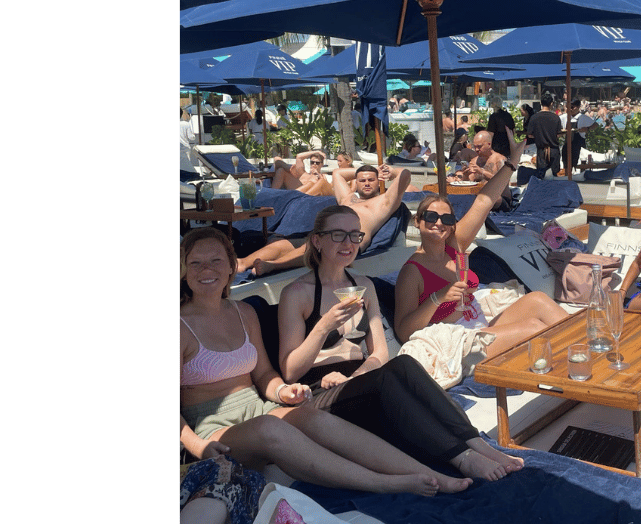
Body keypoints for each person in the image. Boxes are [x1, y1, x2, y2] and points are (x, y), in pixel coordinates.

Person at [179, 228, 471, 495]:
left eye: (216, 261)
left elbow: (265, 374)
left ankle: (426, 472)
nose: (207, 270)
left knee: (312, 416)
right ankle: (382, 483)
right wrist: (199, 446)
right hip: (211, 428)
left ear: (231, 266)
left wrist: (283, 392)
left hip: (258, 407)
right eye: (196, 263)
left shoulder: (244, 313)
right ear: (184, 271)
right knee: (271, 428)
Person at [276, 208, 523, 480]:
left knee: (404, 363)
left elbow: (380, 352)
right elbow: (290, 371)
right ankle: (463, 459)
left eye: (355, 236)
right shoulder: (296, 294)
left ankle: (476, 443)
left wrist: (355, 376)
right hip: (318, 392)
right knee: (392, 376)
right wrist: (324, 326)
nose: (348, 243)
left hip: (359, 381)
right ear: (317, 241)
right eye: (338, 235)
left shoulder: (363, 285)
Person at [394, 128, 569, 356]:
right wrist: (439, 298)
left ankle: (588, 347)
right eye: (430, 216)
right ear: (417, 222)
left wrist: (512, 162)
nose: (439, 223)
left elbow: (483, 202)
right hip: (458, 340)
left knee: (538, 300)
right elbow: (403, 332)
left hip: (479, 326)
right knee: (535, 329)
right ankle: (577, 362)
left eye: (446, 218)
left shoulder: (453, 248)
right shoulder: (412, 272)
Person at [236, 164, 412, 276]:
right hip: (325, 232)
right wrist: (368, 168)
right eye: (362, 180)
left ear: (378, 181)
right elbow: (337, 173)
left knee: (311, 245)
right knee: (284, 244)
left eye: (371, 180)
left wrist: (390, 171)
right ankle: (243, 262)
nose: (366, 183)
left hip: (347, 238)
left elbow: (405, 175)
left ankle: (273, 266)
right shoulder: (348, 199)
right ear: (356, 183)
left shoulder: (384, 202)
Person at [527, 92, 562, 177]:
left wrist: (539, 135)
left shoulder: (534, 117)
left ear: (541, 103)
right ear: (551, 103)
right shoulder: (556, 117)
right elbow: (558, 134)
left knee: (541, 177)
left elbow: (530, 135)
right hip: (554, 150)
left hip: (541, 151)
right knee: (554, 177)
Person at [269, 150, 334, 196]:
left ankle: (290, 196)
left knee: (314, 180)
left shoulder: (323, 177)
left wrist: (318, 175)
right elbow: (299, 156)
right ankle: (272, 194)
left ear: (322, 164)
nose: (314, 164)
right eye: (312, 162)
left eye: (317, 163)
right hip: (295, 189)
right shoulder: (303, 173)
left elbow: (326, 188)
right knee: (281, 169)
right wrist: (316, 151)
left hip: (303, 195)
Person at [560, 99, 595, 170]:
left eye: (572, 107)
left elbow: (595, 125)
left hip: (579, 146)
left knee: (579, 163)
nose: (570, 109)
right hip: (567, 145)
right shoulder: (564, 117)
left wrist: (587, 129)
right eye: (568, 107)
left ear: (578, 107)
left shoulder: (583, 117)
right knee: (566, 164)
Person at [180, 107, 201, 181]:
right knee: (186, 167)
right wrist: (194, 135)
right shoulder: (186, 124)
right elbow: (191, 137)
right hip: (185, 148)